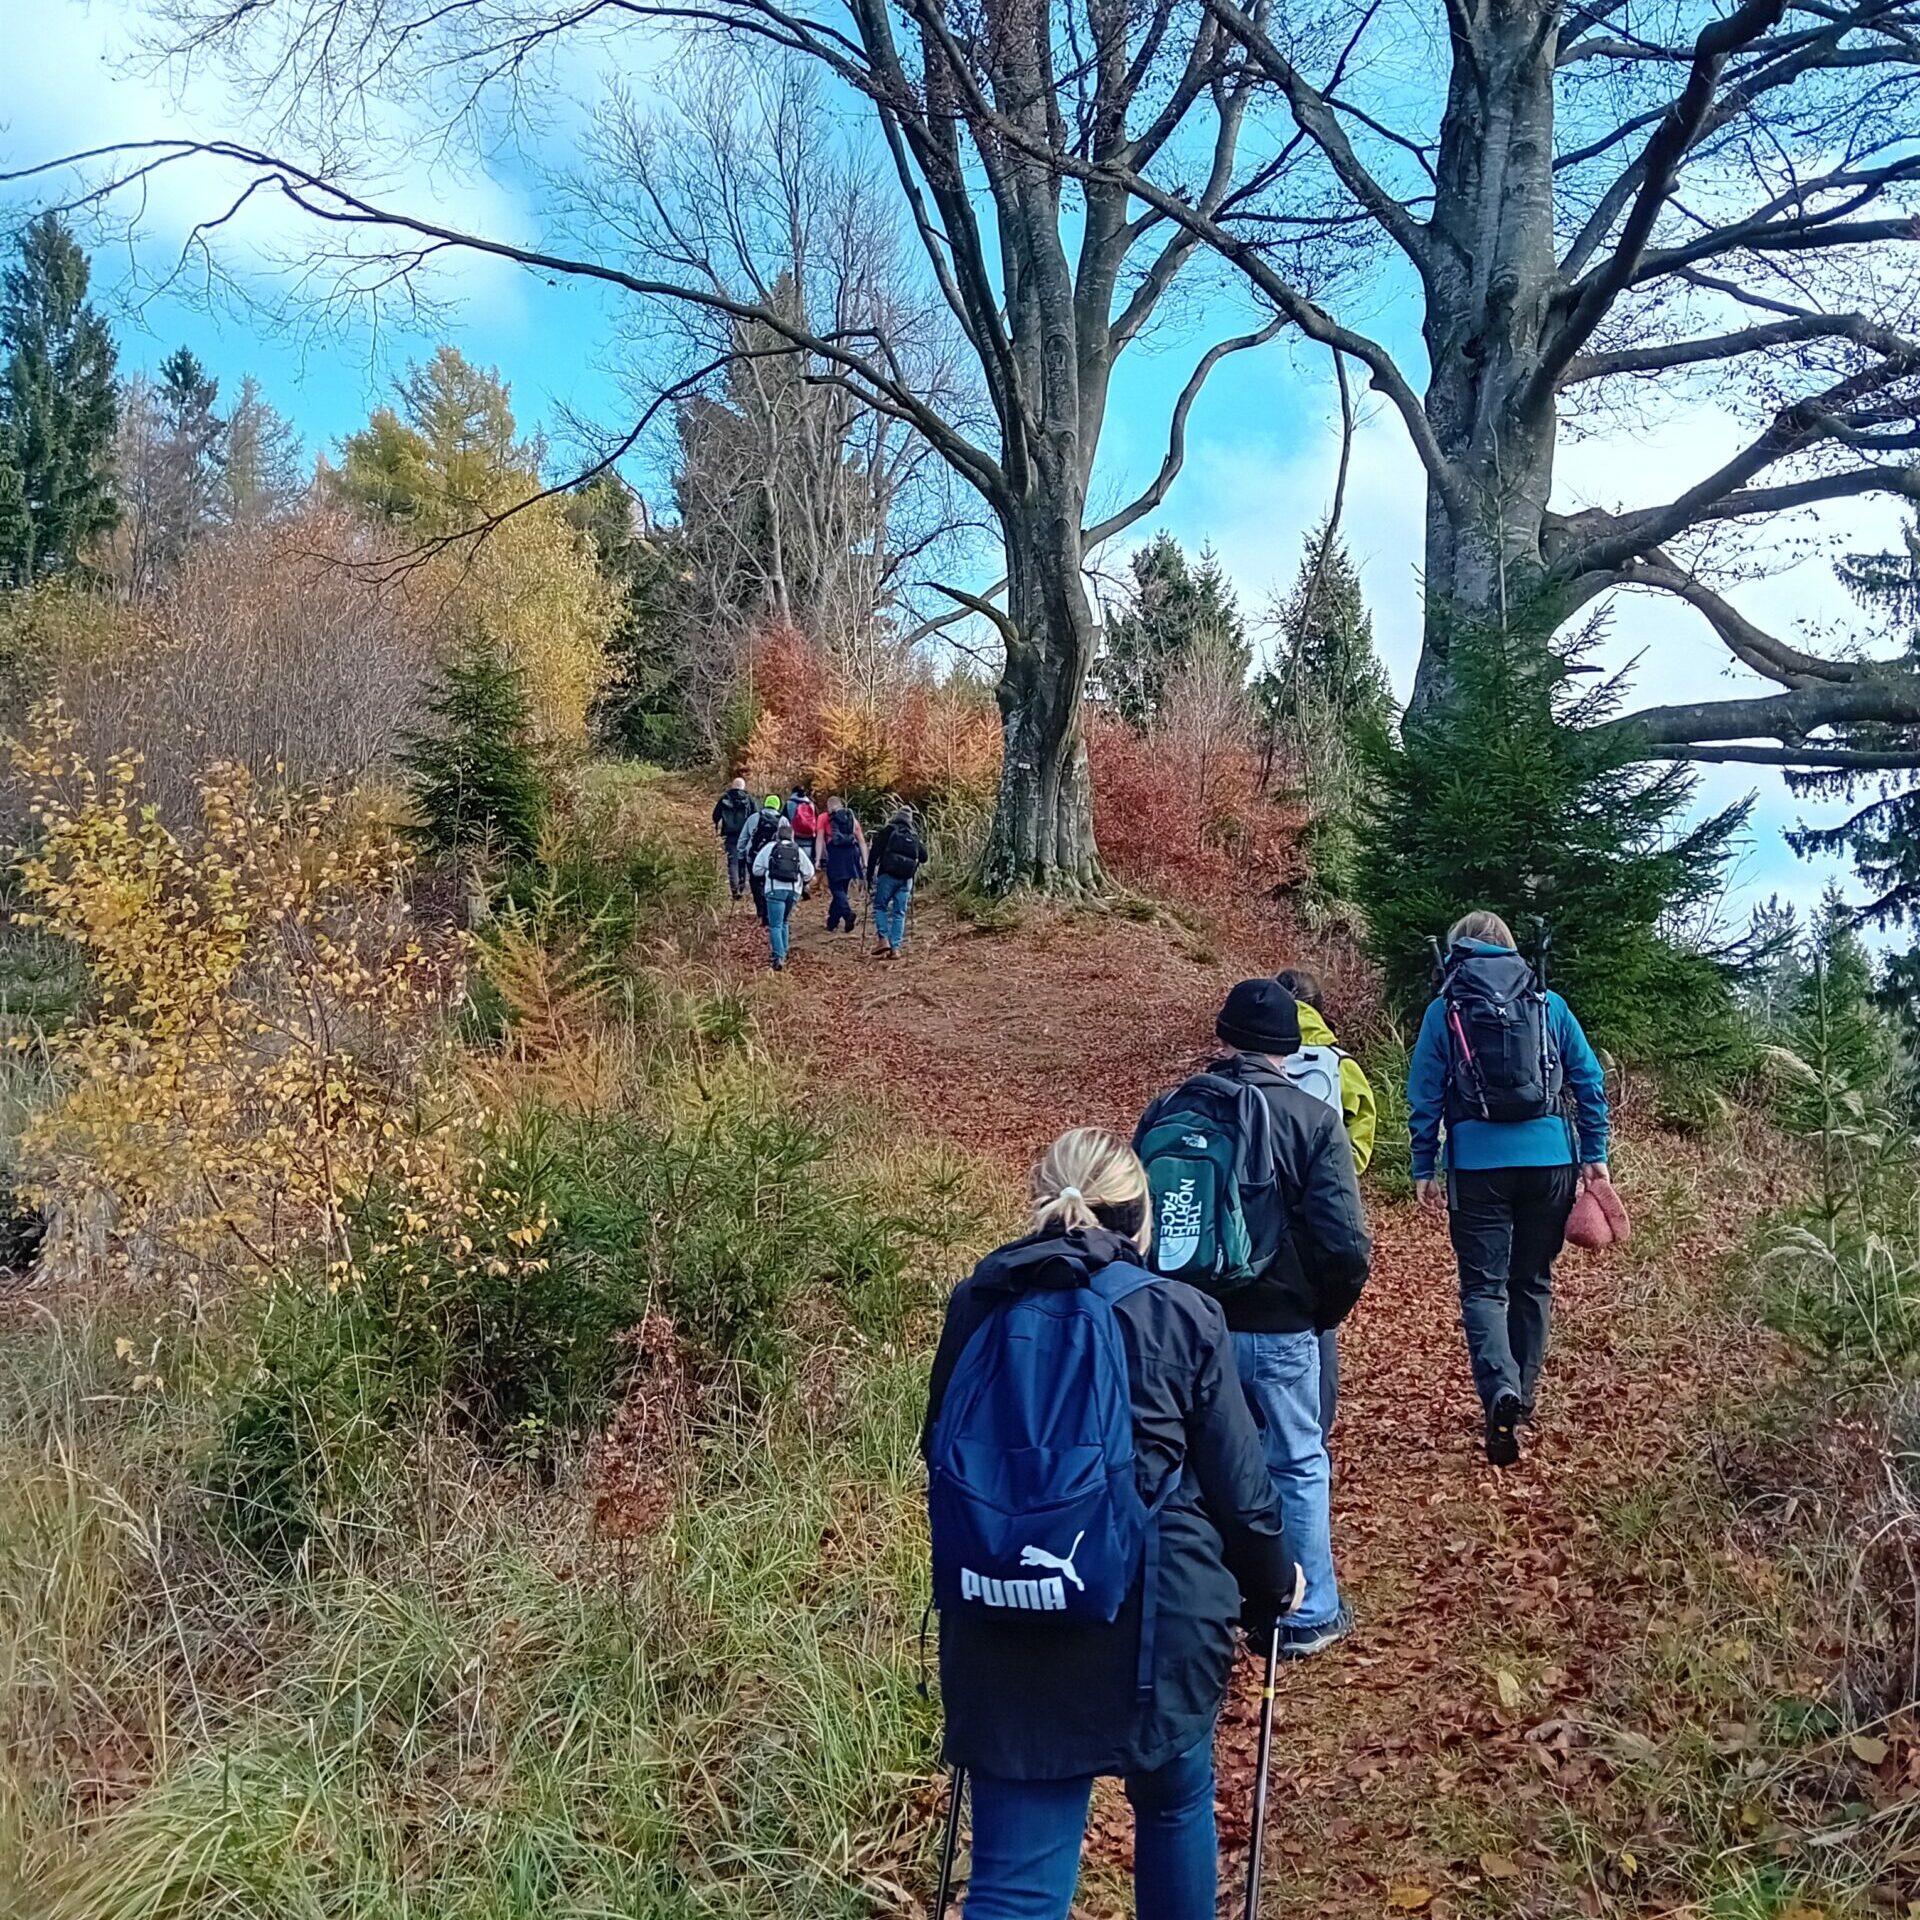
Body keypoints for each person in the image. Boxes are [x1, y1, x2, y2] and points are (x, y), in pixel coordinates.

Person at [924, 1128, 1302, 1920]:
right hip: (1155, 1623)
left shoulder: (976, 1303)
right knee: (1172, 1801)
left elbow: (942, 1453)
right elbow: (1241, 1490)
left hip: (1002, 1610)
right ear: (1142, 1219)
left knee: (1016, 1890)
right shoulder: (1181, 1312)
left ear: (1038, 1206)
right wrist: (1275, 1586)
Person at [1134, 979, 1371, 1659]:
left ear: (1225, 1035)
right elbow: (1345, 1245)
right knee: (1295, 1458)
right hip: (1276, 1325)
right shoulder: (1312, 1118)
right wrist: (1319, 1314)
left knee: (1191, 1463)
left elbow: (1135, 1217)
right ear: (1289, 1048)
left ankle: (1202, 1611)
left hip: (1182, 1323)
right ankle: (1307, 1614)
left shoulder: (1170, 1108)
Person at [1408, 910, 1610, 1467]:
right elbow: (1588, 1081)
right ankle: (1522, 1395)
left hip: (1477, 1165)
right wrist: (1594, 1154)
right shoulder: (1547, 1002)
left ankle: (1499, 1389)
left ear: (1458, 951)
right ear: (1510, 947)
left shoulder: (1446, 1008)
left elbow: (1425, 1094)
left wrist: (1424, 1165)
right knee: (1532, 1280)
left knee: (1483, 1287)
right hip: (1551, 1162)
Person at [1274, 965, 1377, 1444]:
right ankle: (1316, 1430)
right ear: (1319, 1007)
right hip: (1320, 1203)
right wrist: (1341, 1173)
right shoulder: (1339, 1063)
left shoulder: (1256, 1055)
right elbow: (1363, 1125)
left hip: (1261, 1198)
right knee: (1320, 1314)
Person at [750, 817, 813, 971]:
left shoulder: (770, 848)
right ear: (792, 836)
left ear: (777, 836)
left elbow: (756, 870)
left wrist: (768, 871)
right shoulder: (797, 850)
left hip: (774, 890)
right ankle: (784, 950)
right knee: (784, 921)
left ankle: (778, 957)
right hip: (793, 891)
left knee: (775, 924)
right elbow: (809, 872)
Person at [867, 806, 926, 959]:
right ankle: (896, 949)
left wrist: (869, 876)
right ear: (910, 820)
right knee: (899, 913)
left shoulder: (888, 831)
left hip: (887, 876)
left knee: (880, 907)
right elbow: (924, 857)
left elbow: (874, 853)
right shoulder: (914, 835)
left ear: (896, 816)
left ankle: (883, 939)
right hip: (906, 879)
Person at [814, 793, 867, 934]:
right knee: (842, 889)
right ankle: (832, 922)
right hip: (851, 855)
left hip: (835, 855)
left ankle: (848, 914)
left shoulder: (824, 817)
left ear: (828, 807)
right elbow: (861, 840)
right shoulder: (851, 817)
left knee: (836, 888)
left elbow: (820, 839)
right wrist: (864, 860)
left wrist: (818, 859)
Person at [735, 793, 786, 927]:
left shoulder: (753, 818)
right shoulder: (783, 821)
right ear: (778, 806)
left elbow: (743, 839)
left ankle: (760, 910)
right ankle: (770, 910)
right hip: (774, 859)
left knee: (756, 883)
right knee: (771, 883)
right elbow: (788, 841)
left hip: (754, 856)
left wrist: (741, 855)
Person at [712, 776, 756, 901]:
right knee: (744, 860)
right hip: (745, 835)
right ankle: (743, 886)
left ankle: (734, 888)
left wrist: (718, 823)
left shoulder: (725, 798)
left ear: (733, 785)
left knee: (733, 862)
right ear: (743, 787)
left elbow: (715, 816)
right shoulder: (748, 799)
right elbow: (755, 815)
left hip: (730, 834)